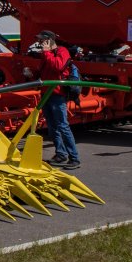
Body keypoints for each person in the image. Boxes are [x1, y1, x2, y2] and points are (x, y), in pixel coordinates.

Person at [22, 30, 80, 169]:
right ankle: (60, 153)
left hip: (57, 94)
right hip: (47, 93)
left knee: (62, 125)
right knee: (53, 126)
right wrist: (31, 73)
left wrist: (47, 52)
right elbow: (44, 71)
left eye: (42, 40)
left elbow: (58, 66)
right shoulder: (46, 55)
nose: (40, 43)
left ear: (49, 41)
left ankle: (74, 157)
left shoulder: (62, 51)